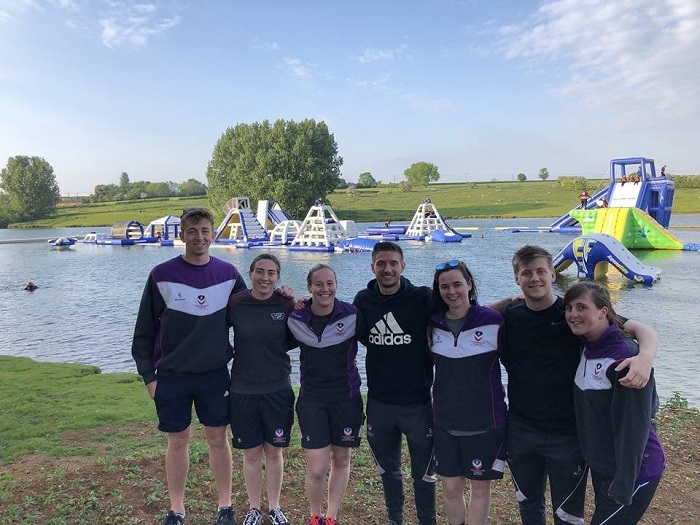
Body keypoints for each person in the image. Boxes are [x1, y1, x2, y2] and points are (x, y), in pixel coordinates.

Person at [498, 245, 658, 525]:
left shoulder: (573, 314)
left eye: (540, 272)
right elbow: (469, 316)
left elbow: (640, 329)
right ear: (517, 278)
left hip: (568, 435)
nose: (534, 278)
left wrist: (644, 357)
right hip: (522, 429)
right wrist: (503, 301)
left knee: (568, 514)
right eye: (526, 273)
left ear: (552, 273)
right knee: (528, 506)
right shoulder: (511, 315)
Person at [132, 208, 246, 525]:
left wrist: (286, 298)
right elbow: (143, 332)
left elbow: (253, 314)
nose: (199, 237)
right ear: (182, 235)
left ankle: (225, 506)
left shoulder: (229, 275)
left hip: (213, 375)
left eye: (205, 230)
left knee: (217, 440)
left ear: (214, 234)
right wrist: (149, 378)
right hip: (171, 377)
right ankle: (177, 509)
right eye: (192, 231)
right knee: (178, 440)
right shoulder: (160, 275)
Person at [564, 281, 665, 524]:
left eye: (581, 307)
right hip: (605, 466)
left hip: (634, 471)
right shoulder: (587, 345)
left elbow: (635, 427)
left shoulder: (625, 358)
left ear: (603, 312)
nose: (573, 314)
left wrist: (624, 483)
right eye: (568, 308)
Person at [353, 241, 437, 525]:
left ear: (403, 265)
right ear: (372, 267)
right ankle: (395, 520)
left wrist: (510, 303)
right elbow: (358, 334)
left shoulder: (423, 297)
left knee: (423, 475)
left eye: (393, 263)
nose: (387, 269)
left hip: (418, 402)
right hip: (380, 402)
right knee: (388, 471)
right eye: (381, 264)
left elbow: (461, 309)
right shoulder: (363, 299)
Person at [428, 260, 506, 525]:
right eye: (445, 286)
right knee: (450, 489)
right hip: (445, 421)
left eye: (457, 284)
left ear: (469, 285)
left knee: (480, 489)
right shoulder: (433, 324)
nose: (452, 291)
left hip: (485, 421)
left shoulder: (493, 321)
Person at [287, 264, 364, 525]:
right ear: (309, 288)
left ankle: (331, 517)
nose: (325, 289)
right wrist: (285, 295)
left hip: (346, 397)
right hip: (312, 400)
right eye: (318, 284)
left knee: (341, 459)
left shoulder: (352, 314)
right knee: (317, 468)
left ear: (336, 285)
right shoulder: (295, 317)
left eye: (330, 283)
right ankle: (314, 516)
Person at [227, 254, 296, 525]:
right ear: (251, 272)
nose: (264, 278)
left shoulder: (286, 302)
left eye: (271, 273)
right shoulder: (236, 303)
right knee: (252, 453)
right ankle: (254, 508)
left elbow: (299, 335)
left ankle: (275, 507)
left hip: (277, 388)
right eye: (259, 272)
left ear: (278, 277)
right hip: (243, 389)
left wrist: (293, 296)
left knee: (275, 451)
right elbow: (215, 333)